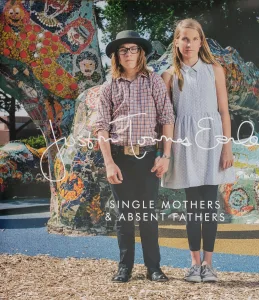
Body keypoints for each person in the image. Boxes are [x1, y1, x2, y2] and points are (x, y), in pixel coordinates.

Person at [94, 30, 175, 283]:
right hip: (120, 159)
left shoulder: (153, 82)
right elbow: (101, 127)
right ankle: (124, 267)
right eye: (123, 50)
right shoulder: (108, 88)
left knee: (149, 216)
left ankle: (154, 268)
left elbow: (167, 119)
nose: (128, 53)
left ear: (141, 53)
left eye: (133, 49)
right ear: (116, 56)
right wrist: (109, 162)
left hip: (149, 158)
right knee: (125, 216)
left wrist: (166, 156)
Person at [160, 19, 235, 283]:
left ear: (200, 42)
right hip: (186, 145)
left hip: (213, 143)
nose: (188, 44)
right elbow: (167, 118)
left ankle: (209, 264)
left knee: (210, 207)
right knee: (193, 207)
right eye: (184, 39)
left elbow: (224, 112)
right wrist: (166, 153)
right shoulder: (169, 75)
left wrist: (227, 147)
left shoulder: (215, 70)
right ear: (177, 43)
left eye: (193, 39)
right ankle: (193, 264)